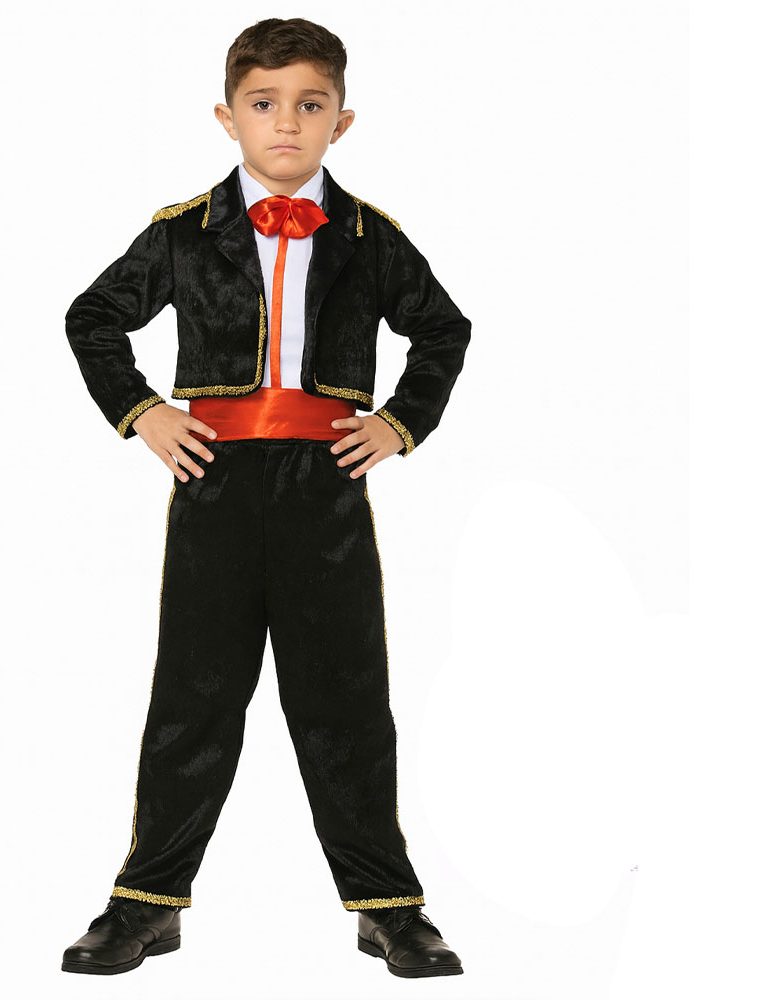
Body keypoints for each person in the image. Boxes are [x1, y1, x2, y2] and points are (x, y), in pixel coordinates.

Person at [60, 16, 471, 980]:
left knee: (345, 699)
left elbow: (443, 330)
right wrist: (143, 412)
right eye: (264, 103)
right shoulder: (182, 233)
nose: (286, 122)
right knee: (194, 694)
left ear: (341, 121)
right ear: (228, 116)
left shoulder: (369, 237)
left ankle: (388, 906)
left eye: (309, 104)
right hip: (216, 481)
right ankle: (146, 901)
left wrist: (399, 422)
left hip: (326, 484)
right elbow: (93, 317)